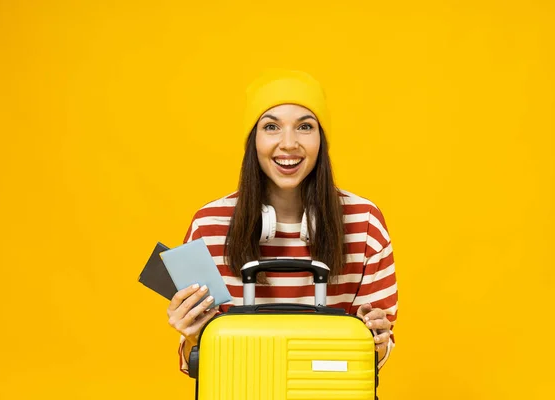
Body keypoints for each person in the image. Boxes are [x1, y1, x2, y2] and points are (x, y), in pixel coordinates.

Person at [166, 69, 398, 375]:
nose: (289, 144)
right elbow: (197, 364)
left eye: (304, 126)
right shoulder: (209, 225)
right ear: (253, 140)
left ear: (321, 139)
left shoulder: (364, 222)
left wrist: (378, 339)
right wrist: (193, 334)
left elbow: (373, 357)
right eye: (271, 126)